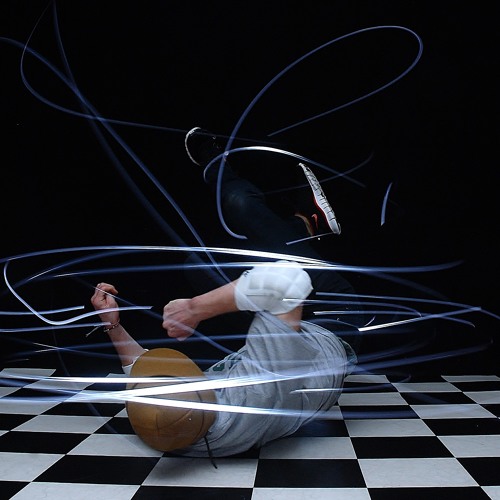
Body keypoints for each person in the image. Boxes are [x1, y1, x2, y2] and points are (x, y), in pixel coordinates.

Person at [91, 260, 356, 458]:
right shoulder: (255, 394)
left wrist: (111, 324)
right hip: (336, 330)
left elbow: (141, 376)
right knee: (238, 220)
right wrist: (192, 309)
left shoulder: (179, 434)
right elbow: (287, 281)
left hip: (285, 348)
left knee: (201, 268)